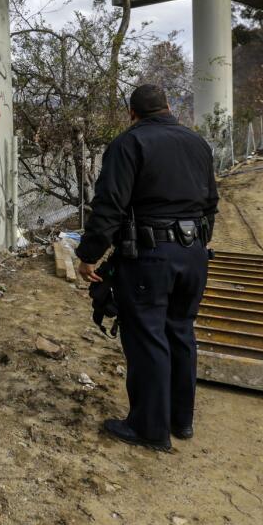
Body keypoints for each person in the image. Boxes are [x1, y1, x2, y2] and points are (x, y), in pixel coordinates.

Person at [76, 84, 218, 452]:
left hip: (151, 258)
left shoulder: (129, 144)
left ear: (132, 114)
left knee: (147, 339)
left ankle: (149, 429)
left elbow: (110, 205)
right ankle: (180, 420)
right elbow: (211, 203)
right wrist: (197, 245)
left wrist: (89, 254)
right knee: (181, 332)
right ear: (169, 107)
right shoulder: (197, 143)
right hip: (194, 253)